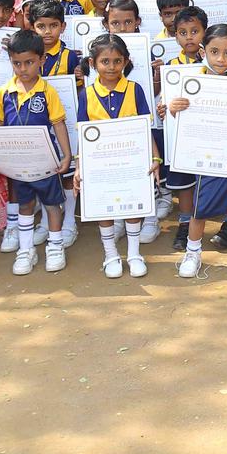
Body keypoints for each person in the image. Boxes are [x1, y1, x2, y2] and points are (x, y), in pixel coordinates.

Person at [169, 23, 227, 278]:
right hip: (209, 153)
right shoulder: (192, 84)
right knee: (203, 203)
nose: (221, 59)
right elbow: (178, 119)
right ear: (203, 52)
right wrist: (174, 108)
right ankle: (193, 252)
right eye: (214, 51)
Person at [76, 33, 160, 278]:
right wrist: (80, 167)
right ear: (93, 63)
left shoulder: (135, 90)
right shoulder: (86, 95)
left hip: (132, 161)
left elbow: (146, 128)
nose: (111, 67)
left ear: (125, 62)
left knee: (132, 203)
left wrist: (155, 159)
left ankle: (134, 253)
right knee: (105, 208)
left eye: (116, 61)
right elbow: (84, 134)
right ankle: (110, 254)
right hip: (100, 164)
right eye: (105, 61)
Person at [0, 30, 75, 277]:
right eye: (16, 63)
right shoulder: (4, 92)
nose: (22, 69)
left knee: (52, 205)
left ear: (41, 60)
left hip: (46, 160)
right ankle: (26, 250)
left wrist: (66, 156)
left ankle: (55, 245)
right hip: (19, 164)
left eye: (29, 62)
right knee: (25, 204)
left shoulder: (47, 92)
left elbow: (59, 124)